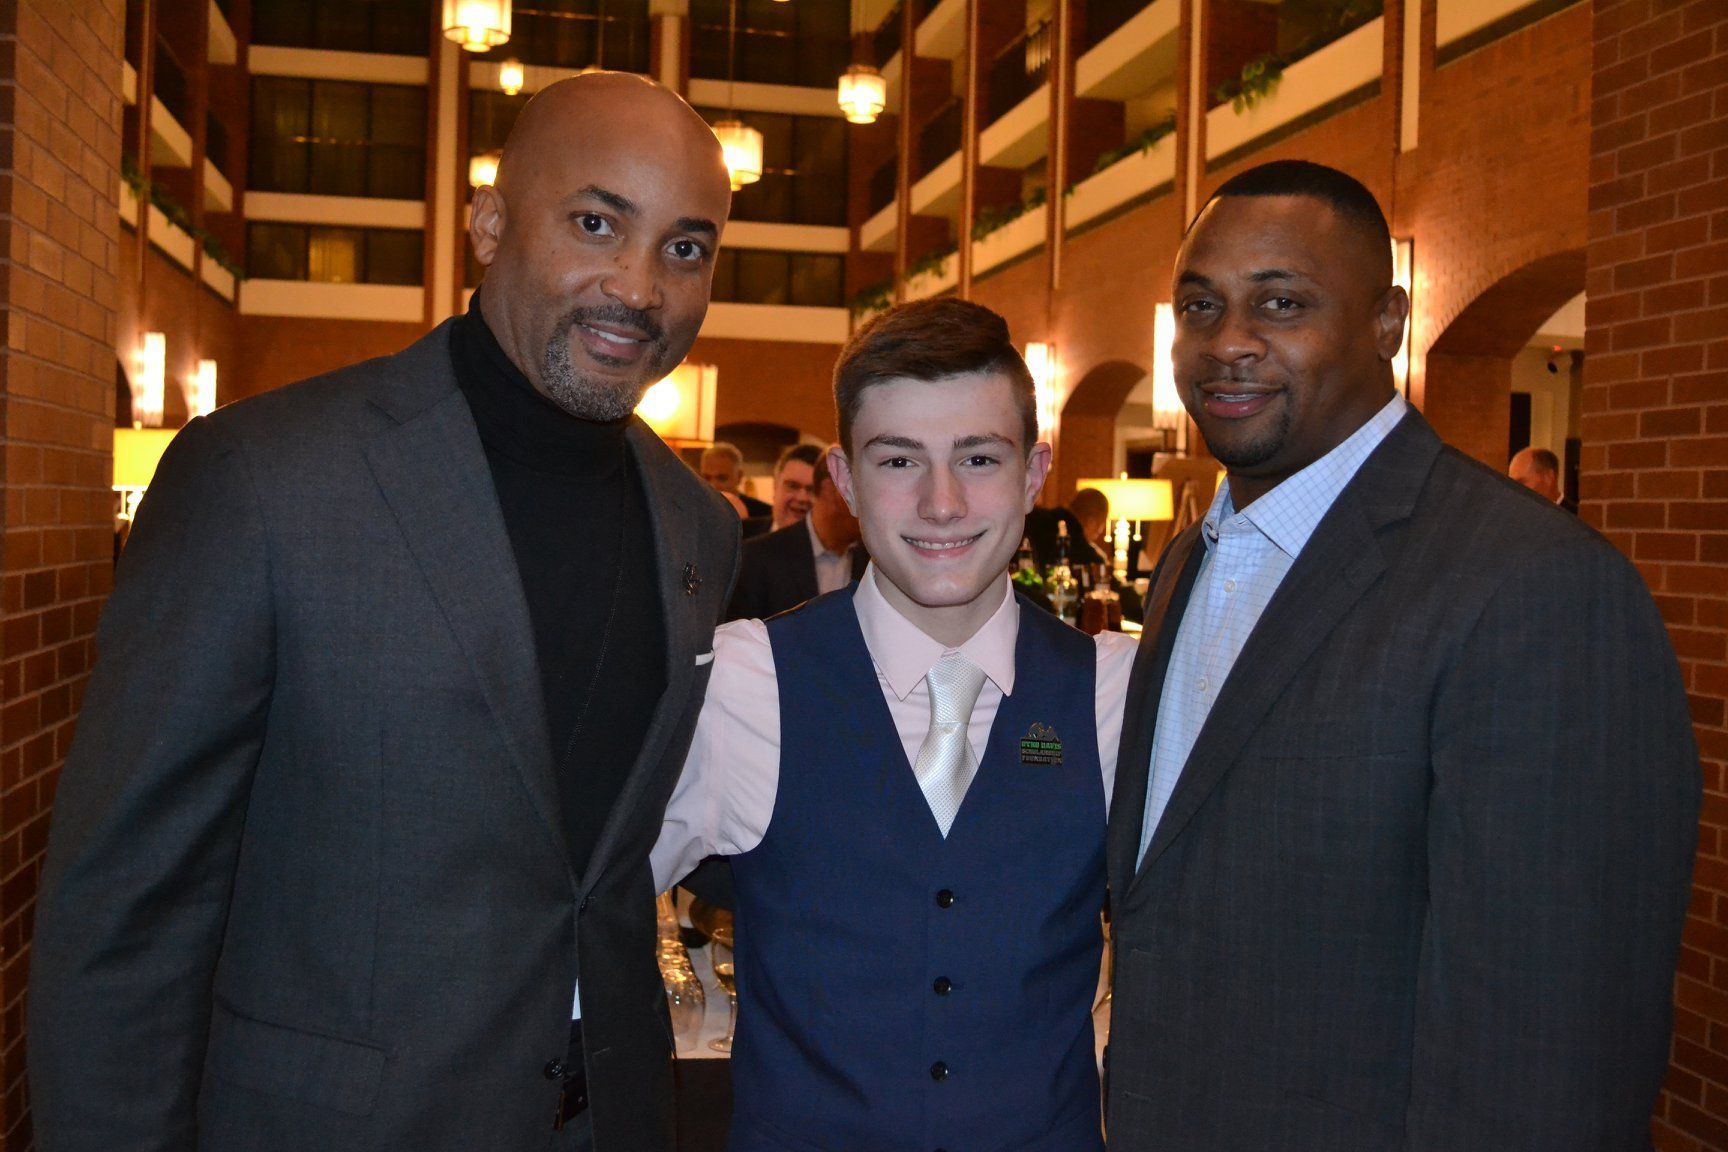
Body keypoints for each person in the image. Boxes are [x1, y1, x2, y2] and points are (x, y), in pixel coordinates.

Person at [29, 74, 740, 1152]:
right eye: (597, 223)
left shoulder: (699, 526)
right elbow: (127, 912)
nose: (639, 289)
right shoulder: (263, 480)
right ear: (490, 223)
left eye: (685, 249)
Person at [1106, 159, 1698, 1150]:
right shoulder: (1184, 569)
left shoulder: (1532, 586)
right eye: (1200, 307)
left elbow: (1555, 1041)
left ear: (1387, 323)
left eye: (1280, 302)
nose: (1228, 344)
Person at [654, 299, 1137, 1151]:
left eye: (979, 458)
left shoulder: (1117, 693)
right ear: (843, 477)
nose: (941, 503)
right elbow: (582, 904)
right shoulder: (743, 680)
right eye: (899, 459)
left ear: (1036, 473)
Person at [726, 445, 867, 621]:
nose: (875, 509)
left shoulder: (874, 561)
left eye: (808, 489)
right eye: (867, 492)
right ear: (831, 490)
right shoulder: (755, 558)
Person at [701, 440, 772, 517]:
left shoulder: (764, 514)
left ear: (739, 477)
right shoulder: (692, 509)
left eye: (722, 478)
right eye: (707, 478)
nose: (713, 485)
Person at [767, 441, 821, 530]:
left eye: (812, 490)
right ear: (775, 486)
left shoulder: (840, 543)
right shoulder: (742, 536)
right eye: (792, 486)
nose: (802, 498)